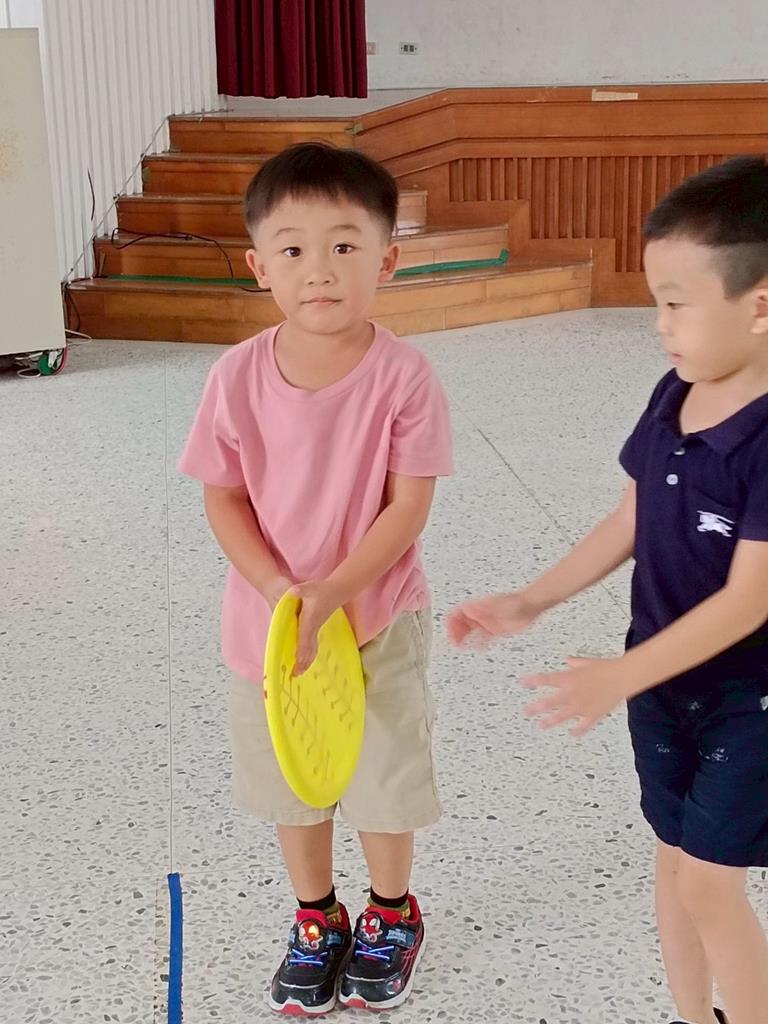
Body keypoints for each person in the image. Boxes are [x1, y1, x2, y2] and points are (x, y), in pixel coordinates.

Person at [448, 156, 768, 1024]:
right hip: (660, 685)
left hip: (749, 701)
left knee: (709, 883)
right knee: (673, 861)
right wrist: (534, 598)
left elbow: (749, 601)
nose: (658, 324)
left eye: (675, 303)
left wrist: (620, 677)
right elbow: (635, 513)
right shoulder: (676, 392)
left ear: (759, 306)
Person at [179, 141, 453, 1016]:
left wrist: (329, 595)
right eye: (293, 249)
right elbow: (223, 498)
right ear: (260, 266)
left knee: (382, 775)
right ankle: (316, 917)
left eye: (344, 245)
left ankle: (390, 913)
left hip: (375, 618)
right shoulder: (234, 377)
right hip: (268, 631)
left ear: (388, 260)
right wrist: (277, 593)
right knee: (291, 780)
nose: (320, 269)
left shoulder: (404, 377)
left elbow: (407, 508)